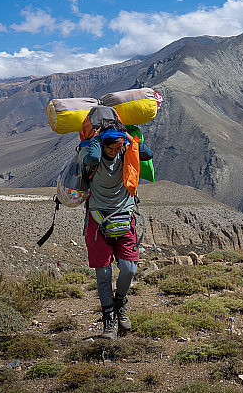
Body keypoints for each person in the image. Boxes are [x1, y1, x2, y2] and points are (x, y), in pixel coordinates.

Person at [80, 119, 153, 339]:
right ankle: (109, 318)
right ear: (102, 144)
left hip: (125, 217)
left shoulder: (126, 153)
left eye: (118, 147)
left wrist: (126, 136)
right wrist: (96, 138)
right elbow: (92, 157)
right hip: (97, 219)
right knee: (103, 273)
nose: (115, 151)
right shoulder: (90, 154)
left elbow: (147, 153)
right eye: (111, 148)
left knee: (129, 268)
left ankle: (120, 302)